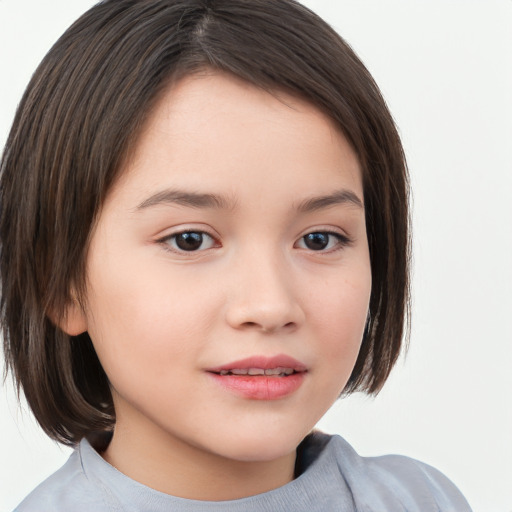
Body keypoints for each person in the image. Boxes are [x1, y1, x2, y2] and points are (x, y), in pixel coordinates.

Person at [0, 0, 472, 510]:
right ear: (59, 280)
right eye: (190, 240)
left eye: (319, 239)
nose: (270, 307)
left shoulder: (421, 500)